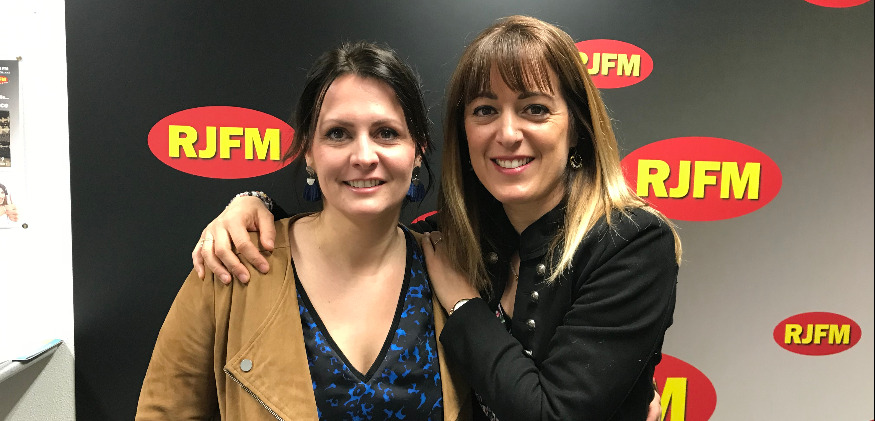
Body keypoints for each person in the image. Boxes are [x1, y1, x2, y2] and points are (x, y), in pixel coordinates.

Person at [194, 16, 677, 421]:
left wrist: (464, 304)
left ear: (578, 129)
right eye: (485, 110)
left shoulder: (632, 243)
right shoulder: (454, 240)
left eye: (534, 109)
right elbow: (349, 236)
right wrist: (253, 205)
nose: (508, 133)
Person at [137, 41, 471, 420]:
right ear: (309, 150)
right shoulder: (233, 264)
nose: (363, 156)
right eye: (338, 134)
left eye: (386, 133)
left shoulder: (454, 273)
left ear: (418, 151)